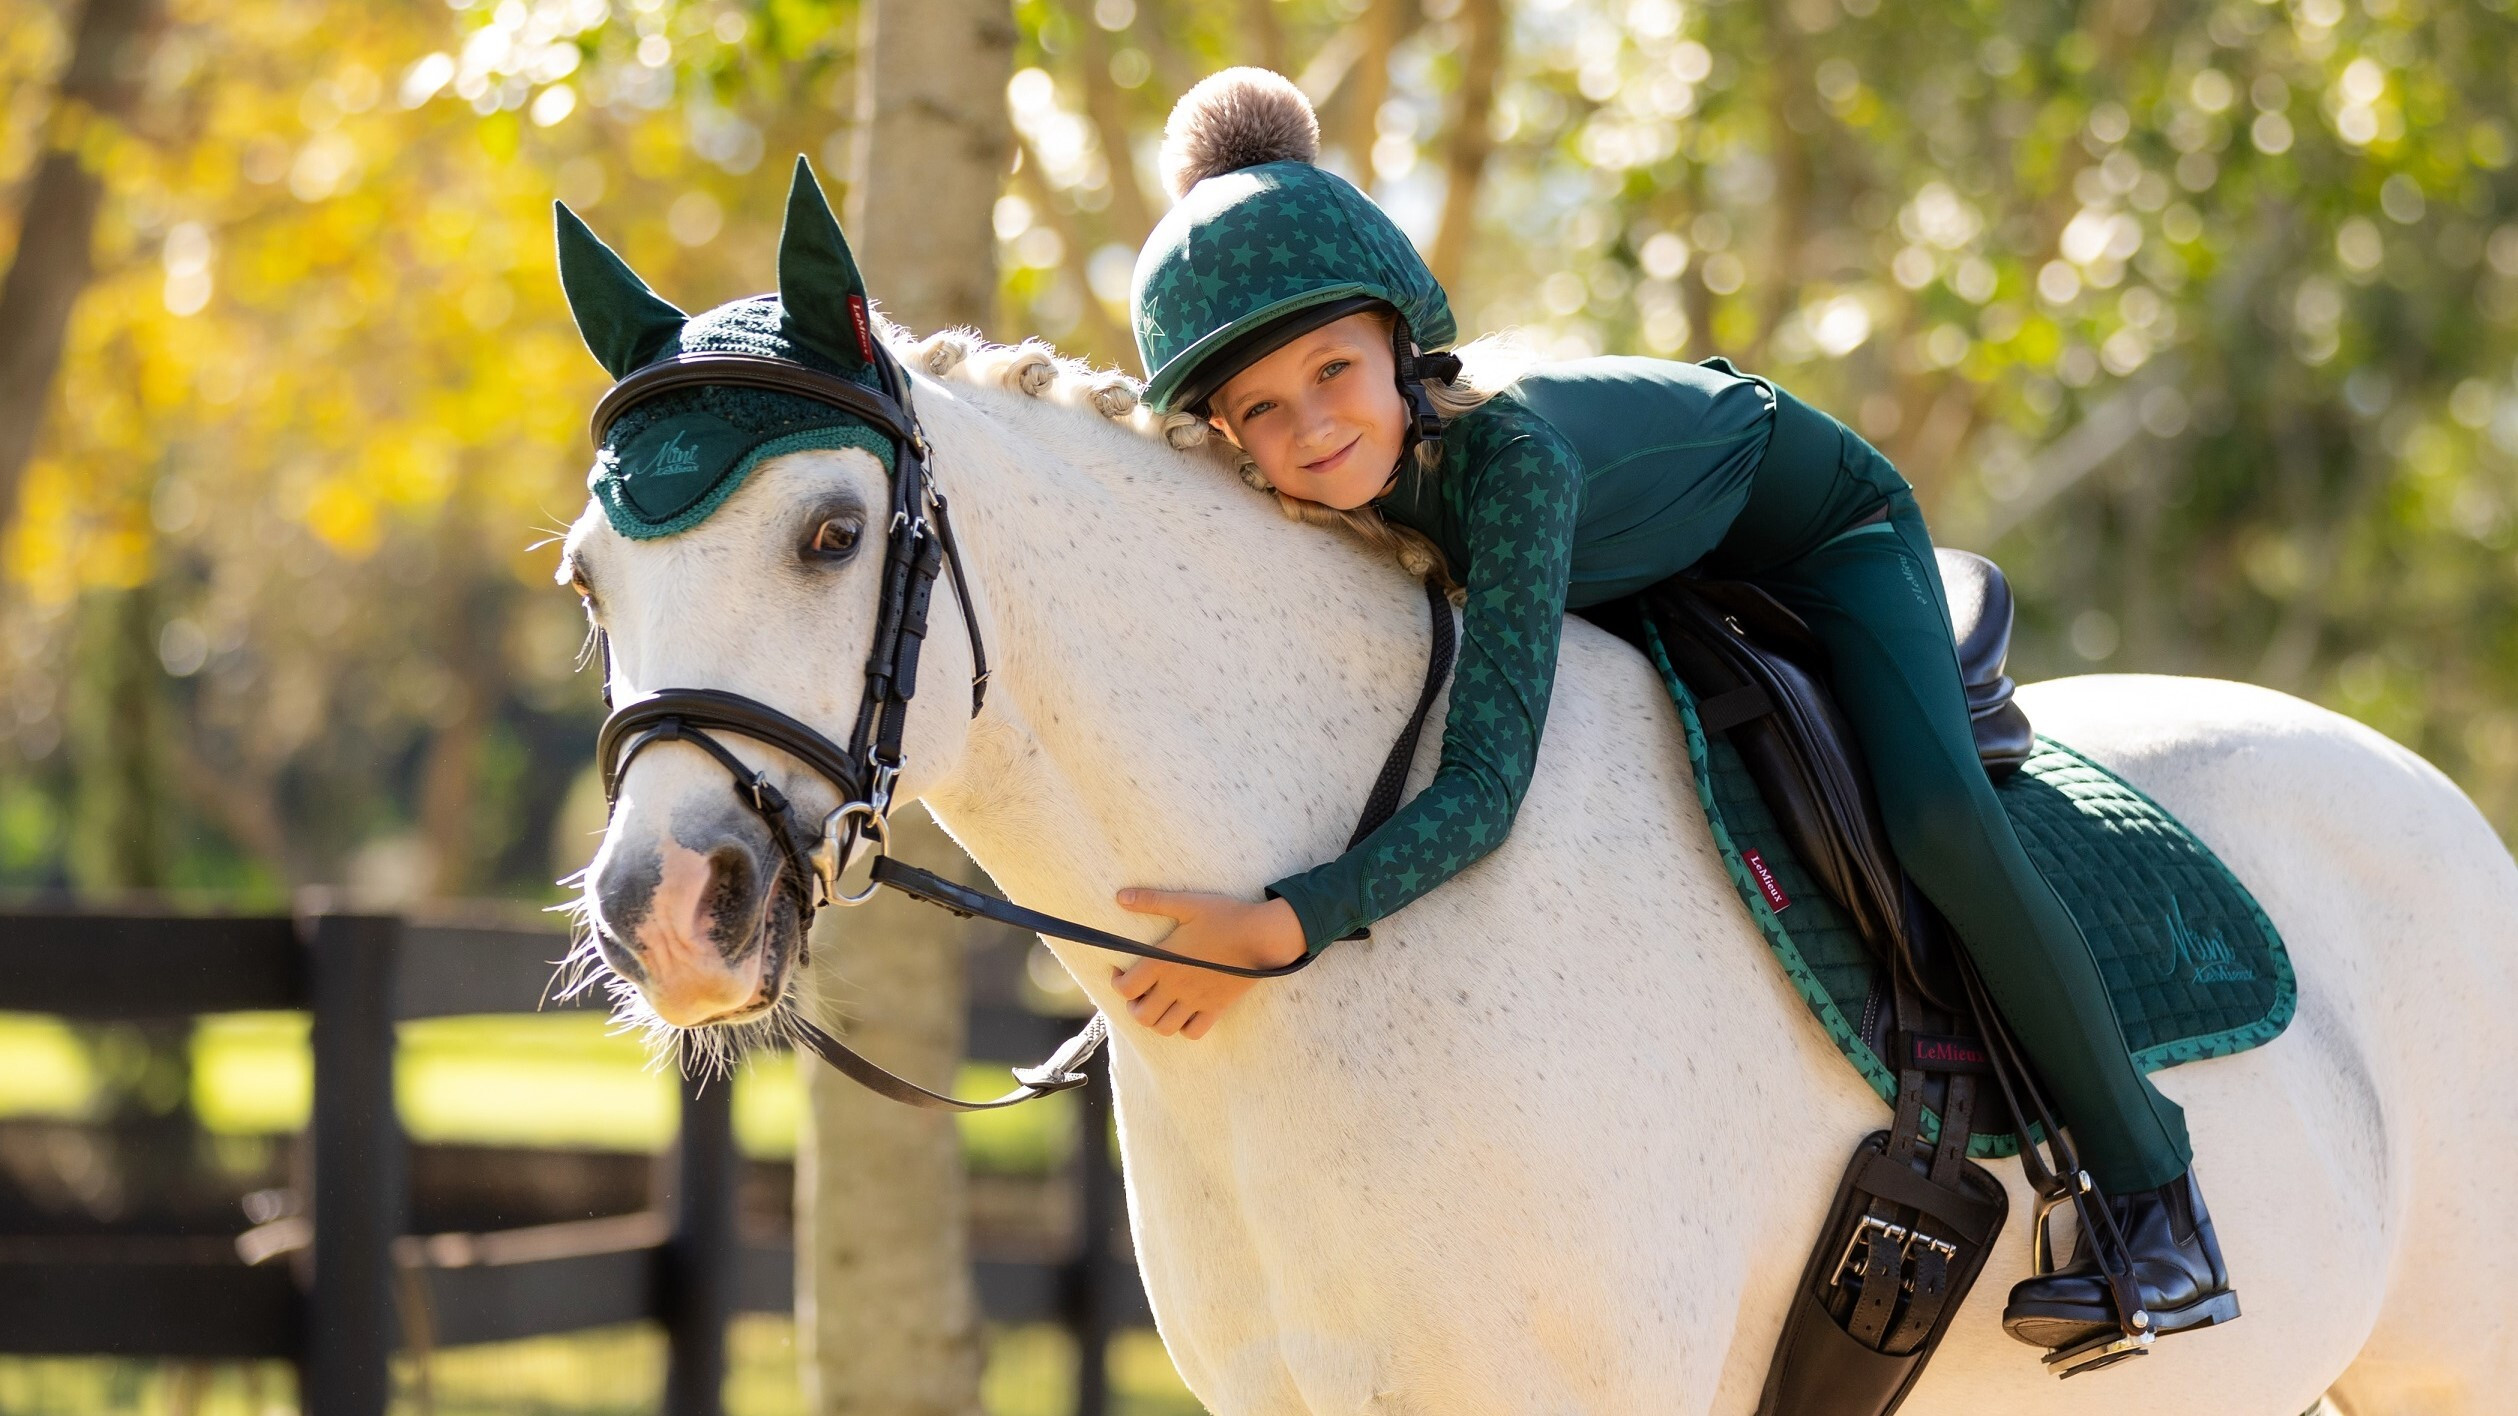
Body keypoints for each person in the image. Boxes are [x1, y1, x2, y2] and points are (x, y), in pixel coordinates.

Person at [1104, 67, 2236, 1353]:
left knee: (1933, 821)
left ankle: (2158, 1205)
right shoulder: (1316, 489)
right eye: (1263, 405)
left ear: (1401, 351)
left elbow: (1483, 792)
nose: (1312, 425)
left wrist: (1287, 925)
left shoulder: (1509, 463)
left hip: (1817, 536)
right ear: (1227, 432)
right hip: (1649, 561)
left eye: (1332, 370)